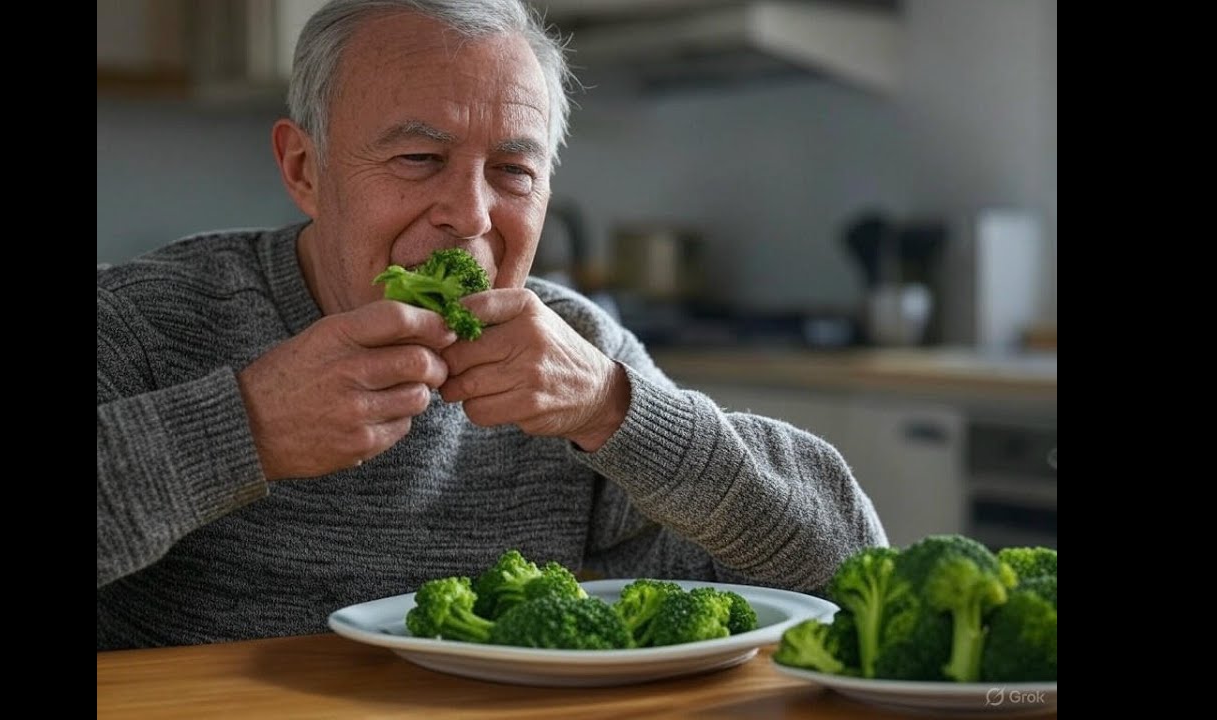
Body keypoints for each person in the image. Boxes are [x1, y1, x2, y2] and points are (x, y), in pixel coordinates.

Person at [96, 0, 887, 650]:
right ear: (305, 169)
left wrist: (622, 410)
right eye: (417, 160)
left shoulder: (584, 358)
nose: (470, 214)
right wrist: (243, 427)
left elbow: (857, 583)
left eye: (513, 171)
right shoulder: (141, 322)